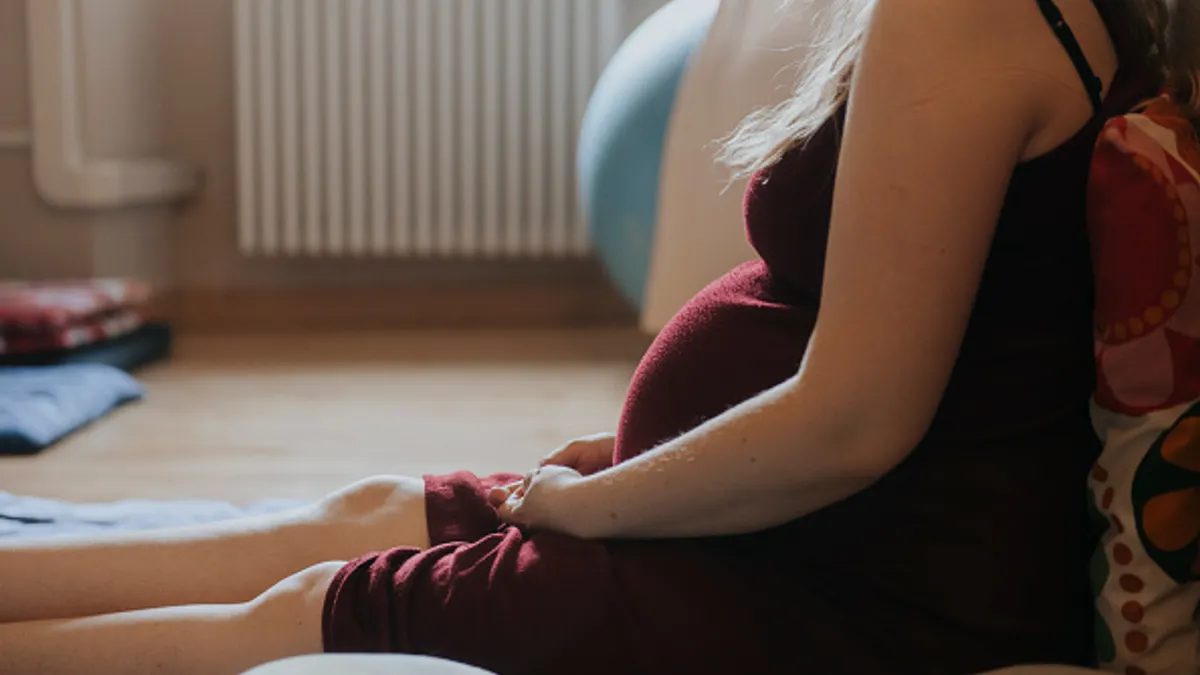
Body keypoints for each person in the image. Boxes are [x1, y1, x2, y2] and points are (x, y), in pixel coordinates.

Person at [1, 1, 1194, 673]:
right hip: (811, 527)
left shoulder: (972, 20)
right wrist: (638, 459)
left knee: (327, 596)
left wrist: (597, 506)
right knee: (368, 507)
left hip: (854, 581)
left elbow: (852, 425)